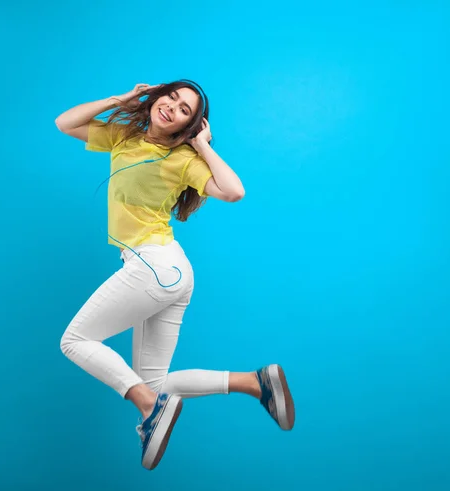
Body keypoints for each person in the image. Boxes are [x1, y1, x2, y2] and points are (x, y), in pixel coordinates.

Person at [56, 80, 295, 471]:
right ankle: (255, 382)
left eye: (185, 110)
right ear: (156, 97)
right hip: (168, 271)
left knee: (75, 340)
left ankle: (148, 407)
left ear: (190, 126)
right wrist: (123, 99)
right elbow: (65, 122)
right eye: (172, 97)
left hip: (154, 266)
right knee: (155, 382)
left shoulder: (182, 159)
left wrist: (202, 146)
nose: (173, 107)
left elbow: (234, 191)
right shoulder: (123, 138)